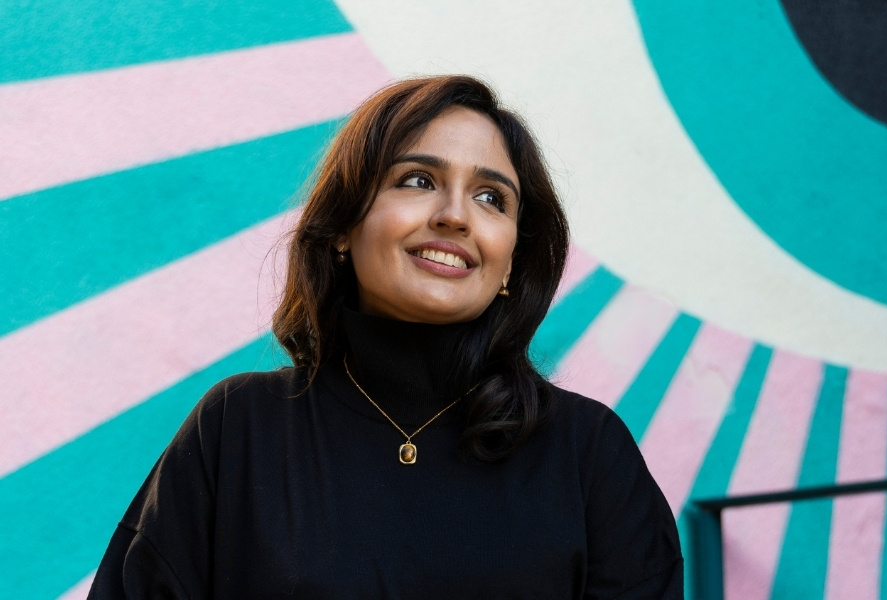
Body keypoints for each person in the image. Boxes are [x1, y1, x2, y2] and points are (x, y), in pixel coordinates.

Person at [88, 75, 683, 599]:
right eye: (418, 180)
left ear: (511, 261)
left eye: (490, 197)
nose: (456, 215)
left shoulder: (589, 454)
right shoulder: (239, 428)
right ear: (345, 227)